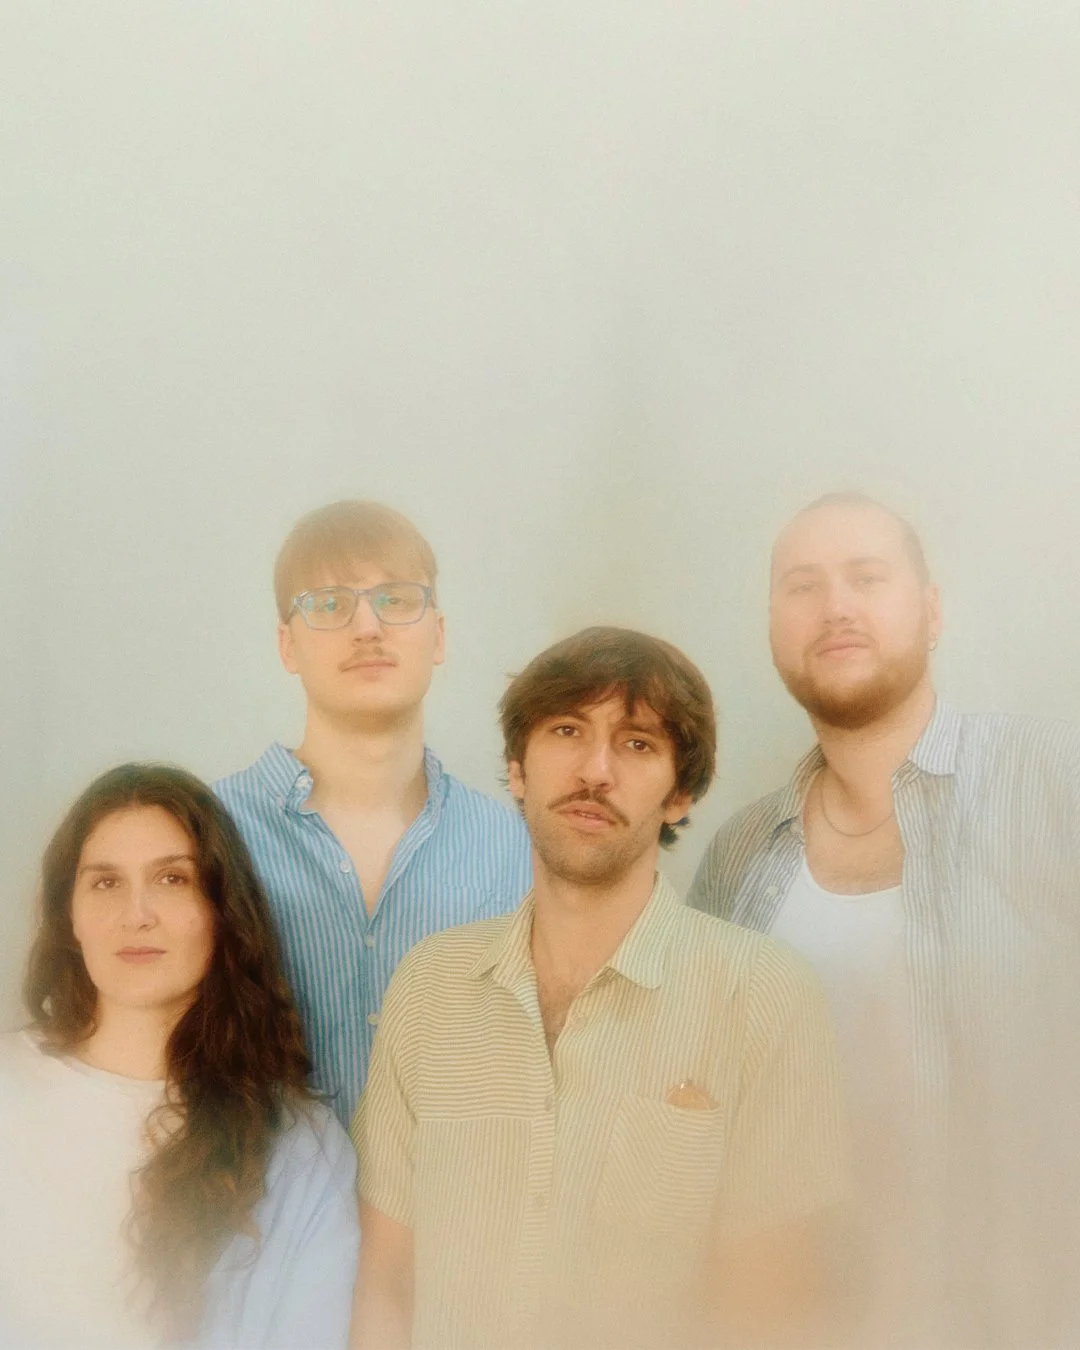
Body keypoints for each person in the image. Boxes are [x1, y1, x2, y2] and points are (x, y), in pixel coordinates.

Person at [351, 626, 849, 1350]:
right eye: (565, 730)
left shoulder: (763, 996)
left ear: (680, 794)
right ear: (517, 770)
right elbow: (386, 1286)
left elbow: (769, 1314)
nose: (596, 769)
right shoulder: (428, 988)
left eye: (638, 743)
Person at [689, 491, 1080, 1349]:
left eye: (867, 577)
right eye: (804, 585)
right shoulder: (739, 858)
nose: (836, 607)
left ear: (930, 610)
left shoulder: (1054, 785)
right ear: (772, 626)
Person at [0, 764, 359, 1350]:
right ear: (70, 917)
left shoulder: (301, 1146)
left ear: (221, 910)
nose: (136, 914)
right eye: (105, 882)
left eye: (172, 879)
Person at [215, 500, 531, 1125]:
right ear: (287, 645)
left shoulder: (512, 845)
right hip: (264, 1214)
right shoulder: (212, 831)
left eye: (395, 599)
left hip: (451, 1214)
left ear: (437, 636)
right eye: (329, 603)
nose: (367, 627)